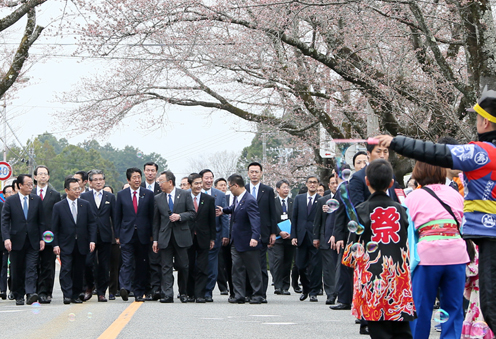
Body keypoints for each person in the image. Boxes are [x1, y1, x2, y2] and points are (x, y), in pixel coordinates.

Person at [375, 88, 496, 334]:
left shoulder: (483, 152)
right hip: (461, 253)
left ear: (485, 121)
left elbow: (437, 153)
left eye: (476, 118)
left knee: (491, 305)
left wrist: (396, 142)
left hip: (488, 236)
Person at [343, 159, 415, 339]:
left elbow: (351, 254)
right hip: (399, 278)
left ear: (367, 182)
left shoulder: (360, 210)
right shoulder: (402, 210)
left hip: (372, 278)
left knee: (379, 330)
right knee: (402, 328)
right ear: (391, 183)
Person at [404, 162, 468, 339]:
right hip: (456, 254)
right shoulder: (455, 195)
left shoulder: (413, 197)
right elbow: (464, 226)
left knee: (421, 308)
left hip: (427, 257)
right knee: (454, 310)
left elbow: (408, 233)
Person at [216, 174, 264, 304]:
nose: (229, 189)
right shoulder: (238, 199)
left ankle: (257, 294)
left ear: (236, 185)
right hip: (236, 242)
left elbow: (255, 220)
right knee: (237, 269)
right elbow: (235, 209)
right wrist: (224, 210)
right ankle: (239, 294)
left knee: (253, 270)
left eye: (230, 186)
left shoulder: (250, 200)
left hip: (248, 241)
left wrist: (255, 237)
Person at [152, 170, 196, 303]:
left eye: (161, 181)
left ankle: (183, 293)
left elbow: (192, 213)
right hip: (165, 237)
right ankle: (167, 294)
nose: (159, 184)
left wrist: (180, 216)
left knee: (183, 266)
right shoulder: (158, 198)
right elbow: (156, 221)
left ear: (170, 182)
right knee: (165, 266)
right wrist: (155, 239)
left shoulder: (184, 194)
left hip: (181, 236)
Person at [52, 177, 97, 304]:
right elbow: (54, 228)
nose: (78, 191)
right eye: (75, 189)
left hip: (82, 243)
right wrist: (55, 244)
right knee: (66, 269)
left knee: (79, 270)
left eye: (79, 188)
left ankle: (76, 294)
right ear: (67, 190)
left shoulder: (85, 205)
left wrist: (92, 240)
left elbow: (92, 224)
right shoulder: (59, 206)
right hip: (66, 244)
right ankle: (67, 294)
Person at [1, 174, 45, 306]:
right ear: (20, 185)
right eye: (28, 184)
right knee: (16, 268)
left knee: (31, 267)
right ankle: (18, 294)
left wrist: (42, 238)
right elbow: (4, 222)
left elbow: (41, 221)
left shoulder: (36, 200)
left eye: (32, 184)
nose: (31, 187)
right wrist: (7, 238)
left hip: (33, 239)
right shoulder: (10, 201)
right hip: (15, 240)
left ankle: (30, 293)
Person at [114, 168, 154, 302]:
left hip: (143, 235)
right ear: (128, 180)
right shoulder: (121, 194)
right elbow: (117, 216)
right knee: (127, 262)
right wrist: (117, 235)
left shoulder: (148, 194)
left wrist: (152, 234)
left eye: (139, 177)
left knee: (141, 264)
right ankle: (125, 287)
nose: (137, 180)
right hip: (126, 234)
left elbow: (152, 216)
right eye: (134, 177)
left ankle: (139, 292)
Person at [80, 170, 115, 302]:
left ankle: (101, 292)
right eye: (95, 179)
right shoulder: (84, 197)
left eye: (101, 179)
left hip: (106, 235)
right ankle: (89, 287)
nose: (99, 182)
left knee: (104, 265)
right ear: (90, 182)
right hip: (89, 236)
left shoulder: (110, 197)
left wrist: (116, 235)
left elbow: (114, 217)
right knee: (88, 263)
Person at [246, 162, 277, 302]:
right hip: (247, 233)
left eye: (256, 172)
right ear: (248, 173)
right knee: (247, 264)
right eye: (251, 172)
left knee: (261, 265)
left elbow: (272, 212)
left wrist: (273, 233)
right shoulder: (244, 189)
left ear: (261, 173)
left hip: (263, 233)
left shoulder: (268, 190)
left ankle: (261, 293)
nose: (254, 174)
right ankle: (249, 292)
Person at [33, 165, 61, 304]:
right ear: (35, 177)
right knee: (33, 264)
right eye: (40, 174)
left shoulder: (55, 195)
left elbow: (57, 217)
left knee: (48, 265)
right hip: (32, 235)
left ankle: (45, 292)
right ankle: (33, 291)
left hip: (49, 235)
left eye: (45, 174)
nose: (43, 176)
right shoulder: (30, 193)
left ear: (48, 177)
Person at [290, 175, 321, 302]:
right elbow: (294, 218)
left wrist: (318, 236)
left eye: (315, 182)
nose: (312, 184)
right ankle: (305, 289)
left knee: (315, 266)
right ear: (307, 184)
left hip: (315, 237)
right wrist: (294, 236)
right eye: (310, 182)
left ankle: (314, 291)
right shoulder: (299, 198)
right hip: (301, 236)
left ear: (318, 184)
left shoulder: (321, 199)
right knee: (300, 265)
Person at [186, 173, 216, 303]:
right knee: (189, 265)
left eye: (200, 183)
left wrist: (212, 238)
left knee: (203, 267)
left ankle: (200, 294)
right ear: (190, 184)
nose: (199, 186)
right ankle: (190, 293)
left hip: (204, 237)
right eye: (196, 183)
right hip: (188, 237)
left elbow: (212, 221)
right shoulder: (184, 198)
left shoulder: (208, 199)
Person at [200, 169, 228, 302]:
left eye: (211, 178)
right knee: (198, 264)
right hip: (197, 236)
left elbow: (225, 216)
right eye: (206, 178)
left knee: (212, 265)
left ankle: (208, 291)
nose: (209, 180)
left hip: (215, 235)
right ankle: (197, 290)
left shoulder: (220, 195)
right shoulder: (191, 193)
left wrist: (225, 234)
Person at [140, 162, 161, 301]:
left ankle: (157, 289)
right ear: (144, 172)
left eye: (153, 170)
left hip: (158, 230)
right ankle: (146, 289)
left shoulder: (162, 188)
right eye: (147, 170)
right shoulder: (138, 188)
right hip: (142, 230)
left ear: (156, 172)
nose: (150, 173)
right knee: (143, 262)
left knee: (156, 261)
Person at [271, 179, 294, 296]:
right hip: (278, 237)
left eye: (287, 187)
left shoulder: (293, 202)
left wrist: (292, 233)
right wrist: (279, 232)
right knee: (278, 260)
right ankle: (277, 285)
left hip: (290, 237)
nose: (286, 189)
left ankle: (285, 286)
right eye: (284, 187)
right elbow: (270, 219)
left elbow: (296, 219)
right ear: (278, 189)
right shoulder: (273, 202)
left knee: (287, 262)